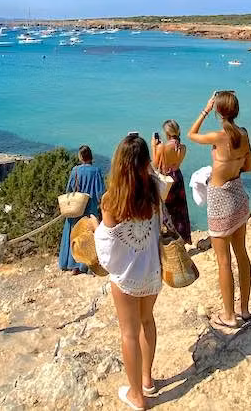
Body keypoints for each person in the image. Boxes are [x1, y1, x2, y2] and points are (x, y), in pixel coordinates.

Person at [91, 134, 161, 410]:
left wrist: (95, 227)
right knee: (148, 321)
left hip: (126, 277)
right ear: (145, 162)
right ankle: (147, 380)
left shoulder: (111, 200)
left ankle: (136, 396)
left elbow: (107, 249)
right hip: (152, 271)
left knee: (128, 333)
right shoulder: (153, 189)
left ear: (119, 163)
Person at [189, 91, 251, 329]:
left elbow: (191, 134)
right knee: (242, 254)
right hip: (239, 197)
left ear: (218, 111)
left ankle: (229, 316)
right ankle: (244, 310)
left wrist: (205, 110)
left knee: (224, 261)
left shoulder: (218, 136)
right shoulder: (244, 134)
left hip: (219, 202)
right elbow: (248, 166)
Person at [58, 145, 105, 275]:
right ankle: (87, 266)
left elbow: (69, 189)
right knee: (89, 237)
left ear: (80, 157)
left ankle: (72, 265)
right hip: (89, 209)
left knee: (74, 235)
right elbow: (100, 193)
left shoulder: (75, 170)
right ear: (91, 156)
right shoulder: (96, 171)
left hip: (76, 208)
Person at [151, 120, 191, 244]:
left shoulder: (162, 147)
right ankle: (183, 236)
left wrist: (153, 147)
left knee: (165, 209)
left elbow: (155, 165)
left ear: (167, 133)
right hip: (177, 178)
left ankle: (169, 237)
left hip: (166, 180)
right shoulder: (183, 148)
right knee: (180, 209)